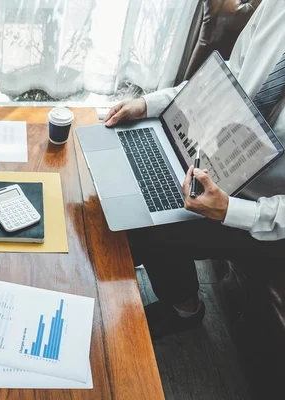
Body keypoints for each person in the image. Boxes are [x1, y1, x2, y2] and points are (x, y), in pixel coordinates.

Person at [102, 0, 285, 339]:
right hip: (223, 165)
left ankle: (184, 310)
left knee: (146, 226)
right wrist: (150, 104)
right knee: (127, 184)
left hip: (270, 217)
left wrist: (232, 210)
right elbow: (229, 79)